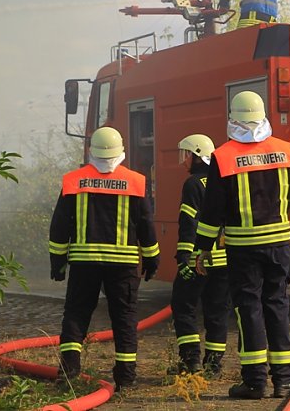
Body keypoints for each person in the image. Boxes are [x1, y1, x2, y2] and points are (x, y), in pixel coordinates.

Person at [195, 90, 290, 400]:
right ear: (263, 117)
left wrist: (203, 248)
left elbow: (213, 209)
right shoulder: (287, 151)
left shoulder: (223, 156)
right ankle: (284, 381)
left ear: (233, 118)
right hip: (279, 245)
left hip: (243, 248)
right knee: (277, 305)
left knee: (248, 308)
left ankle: (254, 381)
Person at [49, 126, 161, 390]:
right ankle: (126, 377)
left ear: (92, 150)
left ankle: (69, 372)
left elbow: (60, 225)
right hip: (123, 265)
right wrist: (152, 258)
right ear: (120, 150)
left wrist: (57, 261)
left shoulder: (74, 181)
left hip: (84, 263)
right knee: (124, 318)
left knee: (76, 314)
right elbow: (146, 225)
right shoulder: (135, 182)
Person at [169, 133, 230, 377]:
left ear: (196, 156)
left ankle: (190, 360)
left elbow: (189, 222)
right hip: (224, 260)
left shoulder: (193, 184)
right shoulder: (223, 179)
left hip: (199, 259)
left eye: (186, 155)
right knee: (217, 312)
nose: (183, 160)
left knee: (183, 306)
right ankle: (213, 366)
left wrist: (184, 257)